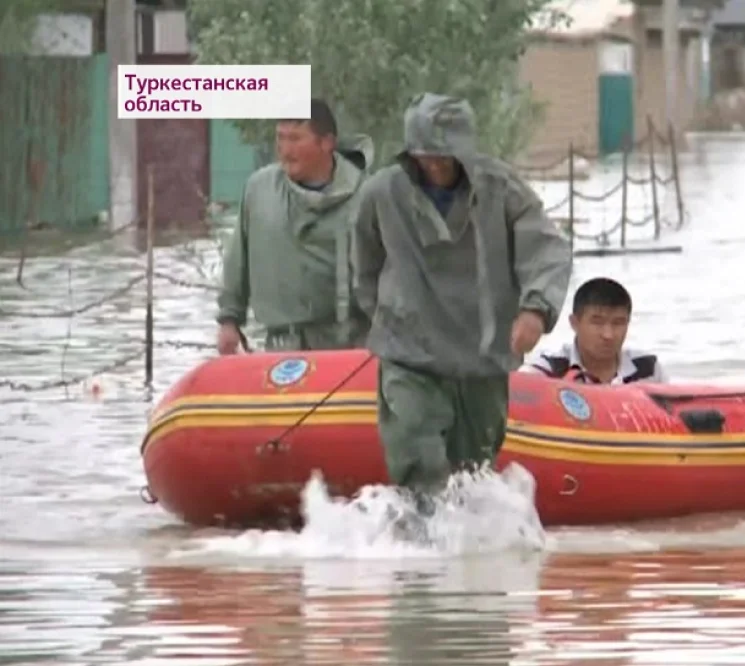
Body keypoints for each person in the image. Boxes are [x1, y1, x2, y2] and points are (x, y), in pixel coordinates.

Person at [352, 92, 572, 493]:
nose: (435, 164)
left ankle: (469, 551)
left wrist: (535, 310)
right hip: (410, 354)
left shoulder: (501, 189)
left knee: (473, 473)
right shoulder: (382, 193)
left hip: (481, 354)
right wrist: (383, 318)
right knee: (417, 455)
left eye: (445, 155)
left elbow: (545, 247)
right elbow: (362, 267)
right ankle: (418, 549)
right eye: (425, 155)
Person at [216, 99, 374, 353]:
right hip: (281, 347)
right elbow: (238, 261)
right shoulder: (259, 190)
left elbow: (392, 274)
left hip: (349, 346)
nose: (285, 150)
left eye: (296, 139)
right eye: (281, 138)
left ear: (326, 143)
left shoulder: (367, 196)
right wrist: (229, 320)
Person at [521, 277, 666, 384]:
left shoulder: (649, 370)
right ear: (574, 323)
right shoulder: (548, 370)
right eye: (597, 322)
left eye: (618, 323)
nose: (608, 335)